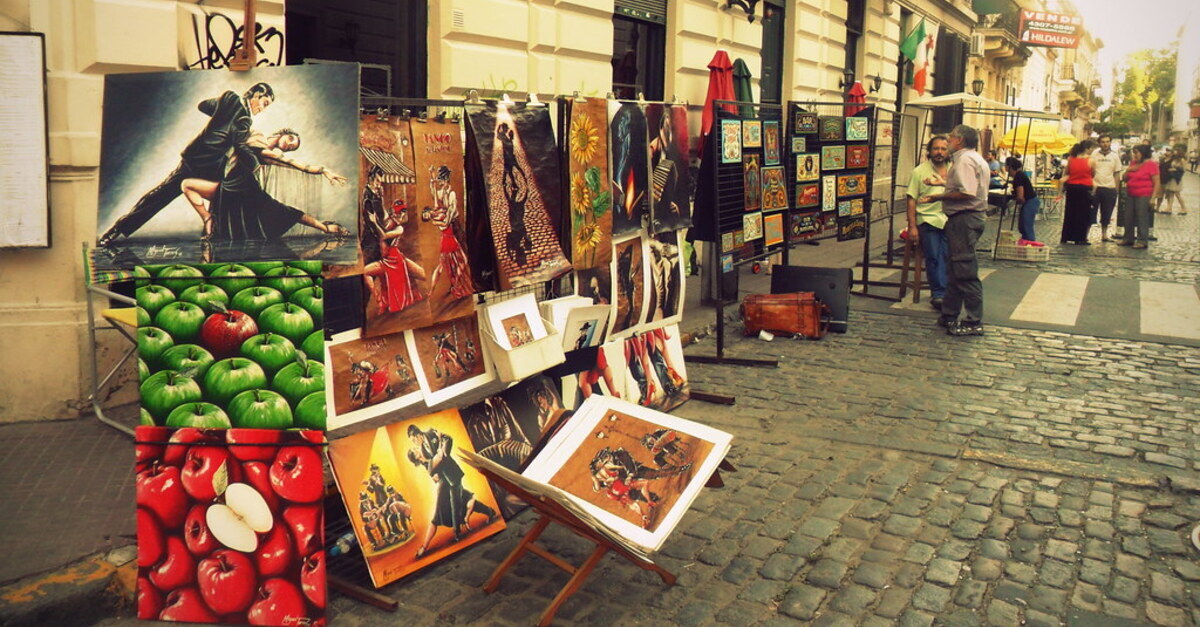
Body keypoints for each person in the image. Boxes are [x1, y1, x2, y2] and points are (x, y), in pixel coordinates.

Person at [98, 83, 274, 246]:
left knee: (163, 194)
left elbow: (203, 105)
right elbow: (240, 144)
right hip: (205, 163)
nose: (263, 109)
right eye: (264, 103)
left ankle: (117, 229)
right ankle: (215, 233)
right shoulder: (245, 120)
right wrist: (255, 164)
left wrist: (220, 118)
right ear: (256, 95)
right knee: (214, 194)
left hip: (201, 158)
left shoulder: (229, 97)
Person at [180, 128, 350, 241]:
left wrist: (324, 170)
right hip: (228, 188)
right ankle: (207, 218)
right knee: (187, 185)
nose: (289, 144)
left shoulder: (270, 154)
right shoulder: (254, 136)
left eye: (292, 147)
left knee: (287, 213)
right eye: (291, 139)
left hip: (248, 191)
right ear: (283, 133)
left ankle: (326, 228)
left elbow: (300, 166)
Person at [920, 124, 989, 337]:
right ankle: (949, 314)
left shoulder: (964, 160)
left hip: (964, 218)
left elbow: (967, 192)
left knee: (965, 270)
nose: (948, 141)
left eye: (950, 137)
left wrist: (938, 196)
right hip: (965, 218)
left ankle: (974, 320)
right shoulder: (972, 158)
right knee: (955, 269)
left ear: (959, 141)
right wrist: (944, 184)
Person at [406, 424, 497, 558]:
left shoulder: (431, 432)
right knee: (461, 499)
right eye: (413, 444)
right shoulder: (424, 455)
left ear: (417, 434)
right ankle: (489, 511)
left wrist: (443, 451)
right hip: (444, 480)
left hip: (451, 475)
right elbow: (432, 471)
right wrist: (436, 462)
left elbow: (447, 439)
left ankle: (457, 531)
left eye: (413, 440)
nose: (414, 444)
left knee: (455, 501)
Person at [905, 135, 951, 310]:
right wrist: (912, 227)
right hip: (927, 220)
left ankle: (947, 291)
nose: (939, 152)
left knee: (947, 256)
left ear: (948, 152)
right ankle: (939, 293)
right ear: (930, 151)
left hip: (949, 219)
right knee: (934, 256)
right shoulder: (919, 171)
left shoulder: (953, 170)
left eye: (943, 149)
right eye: (936, 149)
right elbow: (911, 200)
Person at [1118, 145, 1161, 249]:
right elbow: (1124, 178)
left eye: (1136, 153)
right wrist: (1128, 170)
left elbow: (1157, 182)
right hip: (1131, 193)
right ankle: (1128, 238)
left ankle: (1142, 240)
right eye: (1134, 152)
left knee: (1141, 217)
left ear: (1143, 153)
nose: (1135, 155)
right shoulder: (1133, 163)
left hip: (1144, 194)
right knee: (1128, 217)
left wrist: (1153, 198)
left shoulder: (1151, 164)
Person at [1059, 140, 1096, 245]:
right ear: (1087, 148)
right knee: (1083, 214)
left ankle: (1066, 236)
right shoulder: (1090, 161)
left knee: (1070, 212)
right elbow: (1092, 173)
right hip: (1085, 187)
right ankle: (1079, 237)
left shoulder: (1071, 159)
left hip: (1072, 187)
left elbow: (1067, 172)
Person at [1090, 135, 1123, 242]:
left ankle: (1104, 235)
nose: (1105, 144)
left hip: (1109, 188)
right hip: (1095, 187)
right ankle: (1085, 234)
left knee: (1107, 213)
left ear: (1110, 143)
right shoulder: (1094, 154)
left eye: (1107, 141)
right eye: (1103, 142)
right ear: (1099, 143)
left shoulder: (1115, 156)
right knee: (1091, 212)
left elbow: (1117, 173)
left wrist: (1116, 190)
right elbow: (1090, 170)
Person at [1006, 157, 1042, 246]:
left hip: (1030, 202)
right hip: (1029, 202)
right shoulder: (1019, 175)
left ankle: (1030, 244)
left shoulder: (1018, 177)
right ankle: (1026, 243)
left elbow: (1021, 196)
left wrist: (1014, 199)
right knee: (1022, 226)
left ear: (1009, 167)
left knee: (1026, 226)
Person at [1156, 146, 1188, 215]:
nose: (1174, 152)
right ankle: (1169, 208)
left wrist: (1175, 170)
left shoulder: (1182, 160)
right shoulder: (1175, 160)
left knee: (1177, 194)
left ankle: (1184, 208)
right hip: (1171, 178)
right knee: (1171, 194)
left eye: (1176, 151)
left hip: (1176, 179)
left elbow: (1184, 169)